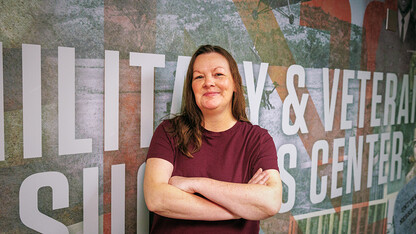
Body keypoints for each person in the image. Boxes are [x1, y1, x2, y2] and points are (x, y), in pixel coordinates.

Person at [143, 45, 282, 234]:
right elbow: (156, 198)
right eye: (199, 76)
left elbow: (270, 202)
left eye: (218, 74)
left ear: (234, 84)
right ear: (191, 88)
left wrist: (196, 184)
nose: (208, 82)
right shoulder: (168, 132)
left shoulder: (258, 140)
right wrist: (239, 209)